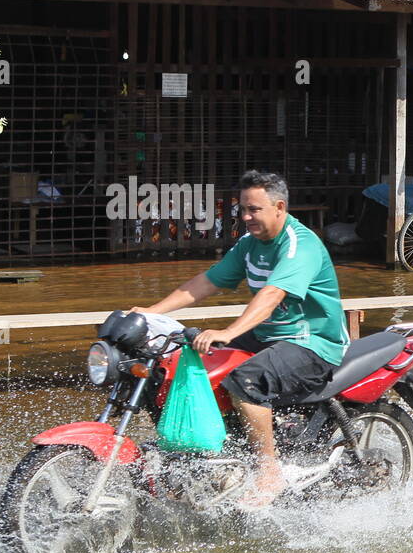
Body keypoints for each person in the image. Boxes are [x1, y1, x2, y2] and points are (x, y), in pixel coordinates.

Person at [132, 170, 349, 508]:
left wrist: (229, 332)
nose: (246, 217)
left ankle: (268, 471)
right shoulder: (249, 245)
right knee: (191, 367)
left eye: (254, 210)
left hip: (312, 342)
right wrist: (150, 313)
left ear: (279, 207)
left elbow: (272, 295)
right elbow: (207, 282)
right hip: (268, 335)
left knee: (246, 383)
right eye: (242, 209)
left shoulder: (299, 244)